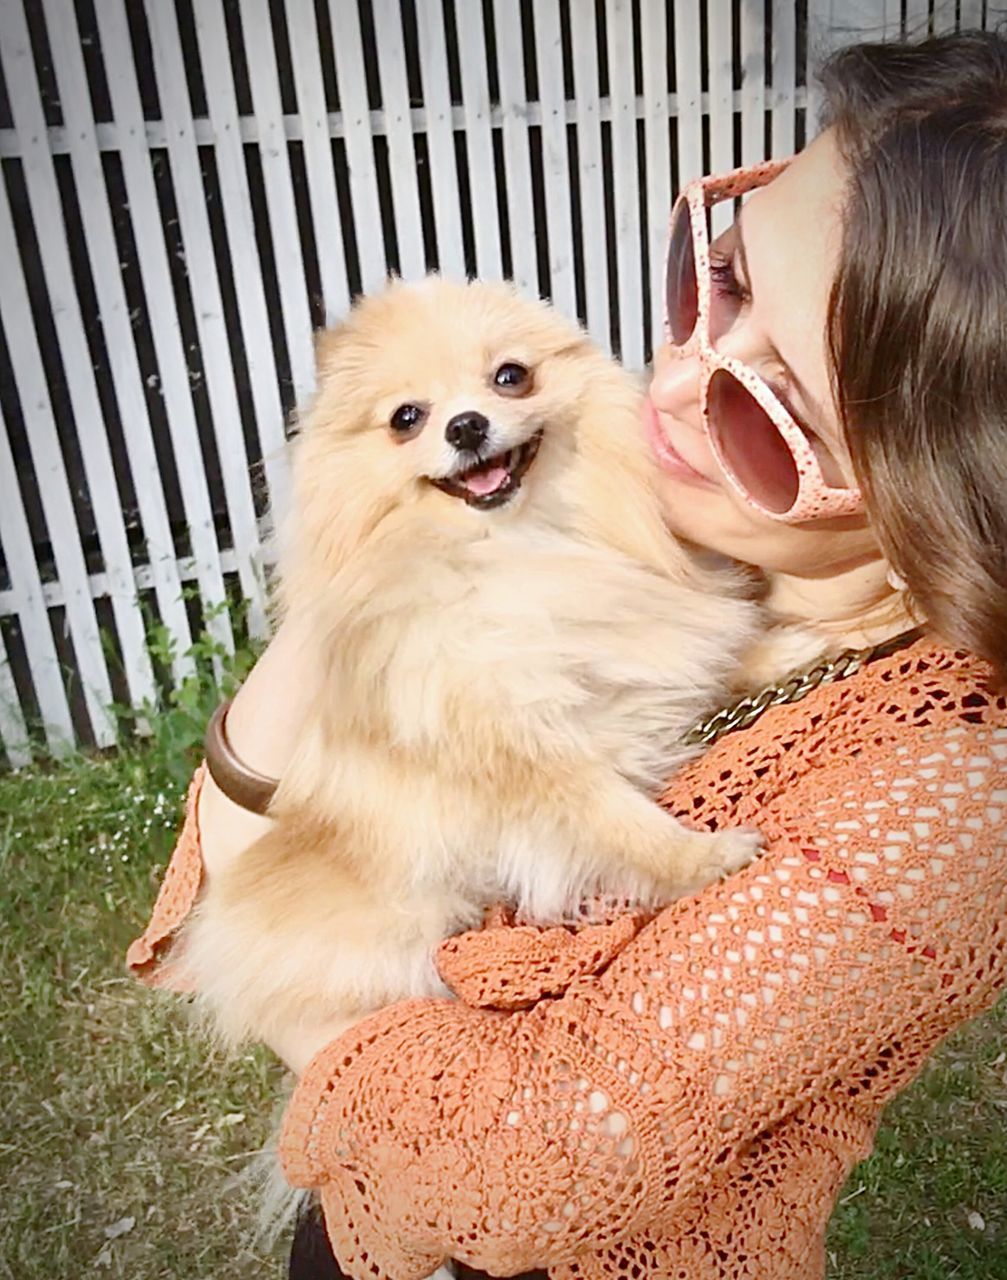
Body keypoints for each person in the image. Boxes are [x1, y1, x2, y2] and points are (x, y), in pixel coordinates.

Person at [128, 28, 1007, 1280]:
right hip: (370, 1214)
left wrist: (299, 999)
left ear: (944, 490)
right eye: (720, 277)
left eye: (775, 404)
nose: (680, 375)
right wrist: (339, 611)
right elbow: (272, 827)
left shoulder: (943, 801)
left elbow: (532, 1164)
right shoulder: (644, 518)